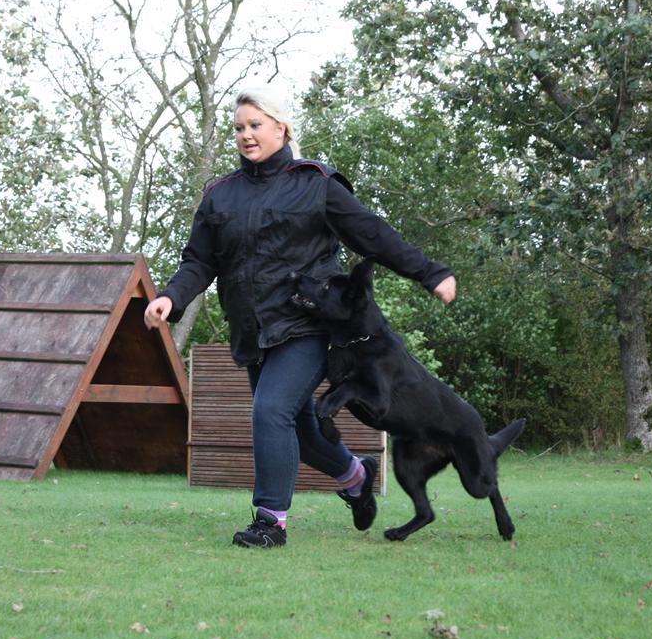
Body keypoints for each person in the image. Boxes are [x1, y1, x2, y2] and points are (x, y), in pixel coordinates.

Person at [144, 85, 456, 548]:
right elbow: (200, 262)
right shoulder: (221, 196)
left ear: (280, 127)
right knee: (301, 433)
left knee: (270, 411)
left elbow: (371, 234)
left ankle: (270, 521)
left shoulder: (315, 183)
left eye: (255, 125)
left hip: (307, 325)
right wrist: (172, 296)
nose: (246, 135)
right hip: (253, 330)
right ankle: (355, 476)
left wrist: (430, 273)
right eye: (238, 128)